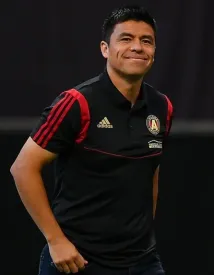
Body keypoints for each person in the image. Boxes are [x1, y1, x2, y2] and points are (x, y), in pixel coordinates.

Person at [10, 5, 173, 275]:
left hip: (141, 261)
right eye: (126, 38)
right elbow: (22, 168)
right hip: (76, 260)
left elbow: (151, 171)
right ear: (105, 49)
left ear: (154, 52)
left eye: (147, 41)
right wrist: (56, 240)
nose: (137, 47)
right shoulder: (76, 102)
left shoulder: (162, 106)